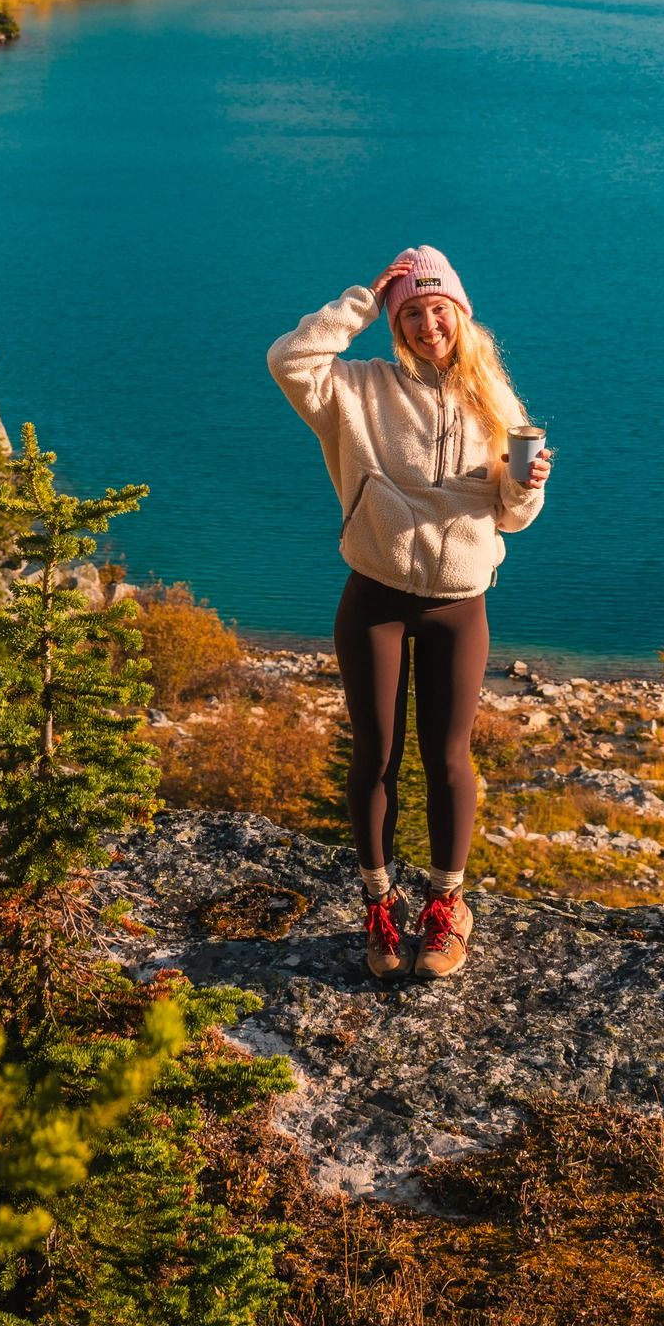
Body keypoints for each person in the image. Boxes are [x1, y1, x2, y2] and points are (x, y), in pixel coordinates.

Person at [267, 247, 551, 982]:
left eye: (440, 310)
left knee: (449, 759)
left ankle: (446, 906)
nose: (430, 325)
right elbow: (290, 359)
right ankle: (380, 904)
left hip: (459, 605)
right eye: (414, 313)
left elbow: (514, 518)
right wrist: (366, 297)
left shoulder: (496, 405)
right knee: (376, 755)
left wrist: (527, 489)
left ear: (462, 317)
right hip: (376, 597)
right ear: (398, 325)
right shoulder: (356, 391)